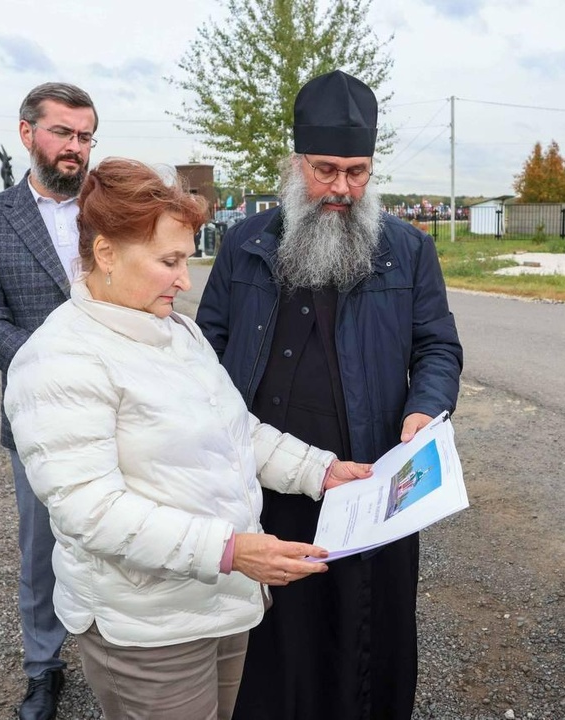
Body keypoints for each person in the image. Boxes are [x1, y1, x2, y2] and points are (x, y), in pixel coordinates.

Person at [3, 157, 373, 720]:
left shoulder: (177, 331)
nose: (185, 279)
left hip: (220, 602)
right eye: (169, 261)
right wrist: (229, 550)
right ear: (105, 253)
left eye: (186, 259)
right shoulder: (59, 362)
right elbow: (91, 511)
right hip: (147, 626)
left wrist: (320, 471)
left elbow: (234, 430)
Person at [196, 69, 463, 720]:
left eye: (358, 170)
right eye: (326, 170)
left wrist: (423, 410)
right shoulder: (244, 244)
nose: (342, 187)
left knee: (364, 628)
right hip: (265, 481)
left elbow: (437, 347)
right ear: (296, 165)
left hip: (367, 477)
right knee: (275, 637)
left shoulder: (407, 250)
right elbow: (206, 342)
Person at [0, 82, 98, 720]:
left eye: (85, 136)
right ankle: (45, 667)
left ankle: (121, 651)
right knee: (43, 547)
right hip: (40, 414)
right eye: (63, 133)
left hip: (124, 407)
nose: (75, 148)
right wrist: (57, 370)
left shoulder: (110, 206)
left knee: (127, 536)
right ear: (27, 134)